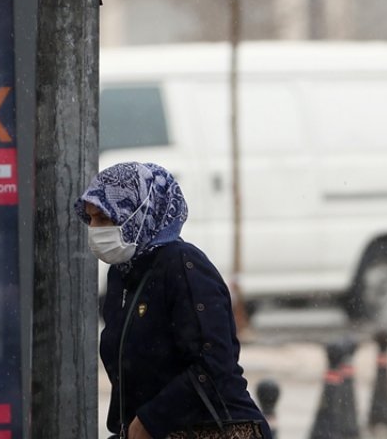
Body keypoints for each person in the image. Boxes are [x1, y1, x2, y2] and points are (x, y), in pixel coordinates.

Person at [78, 162, 271, 439]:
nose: (95, 230)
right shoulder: (122, 275)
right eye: (91, 219)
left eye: (105, 219)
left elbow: (214, 363)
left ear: (137, 214)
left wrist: (149, 421)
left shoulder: (184, 265)